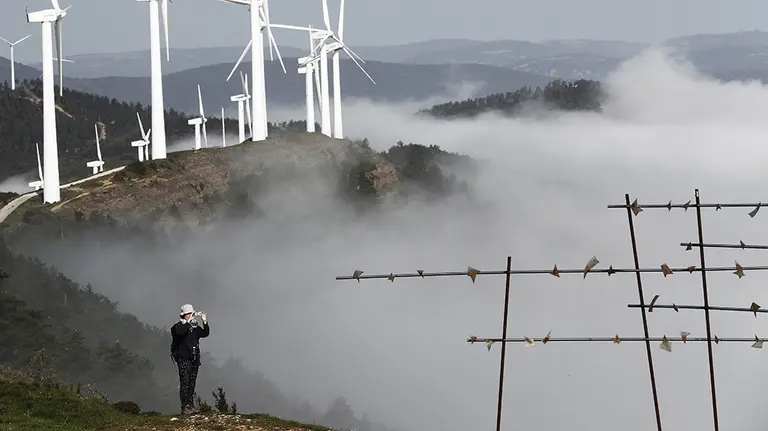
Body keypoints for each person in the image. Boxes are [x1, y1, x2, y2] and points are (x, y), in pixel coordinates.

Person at [170, 303, 210, 415]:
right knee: (185, 383)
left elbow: (205, 333)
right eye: (188, 314)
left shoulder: (194, 328)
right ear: (183, 315)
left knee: (192, 383)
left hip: (194, 359)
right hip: (183, 359)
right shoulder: (177, 327)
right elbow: (179, 333)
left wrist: (204, 321)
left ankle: (190, 405)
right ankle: (184, 407)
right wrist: (188, 323)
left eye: (191, 314)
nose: (190, 316)